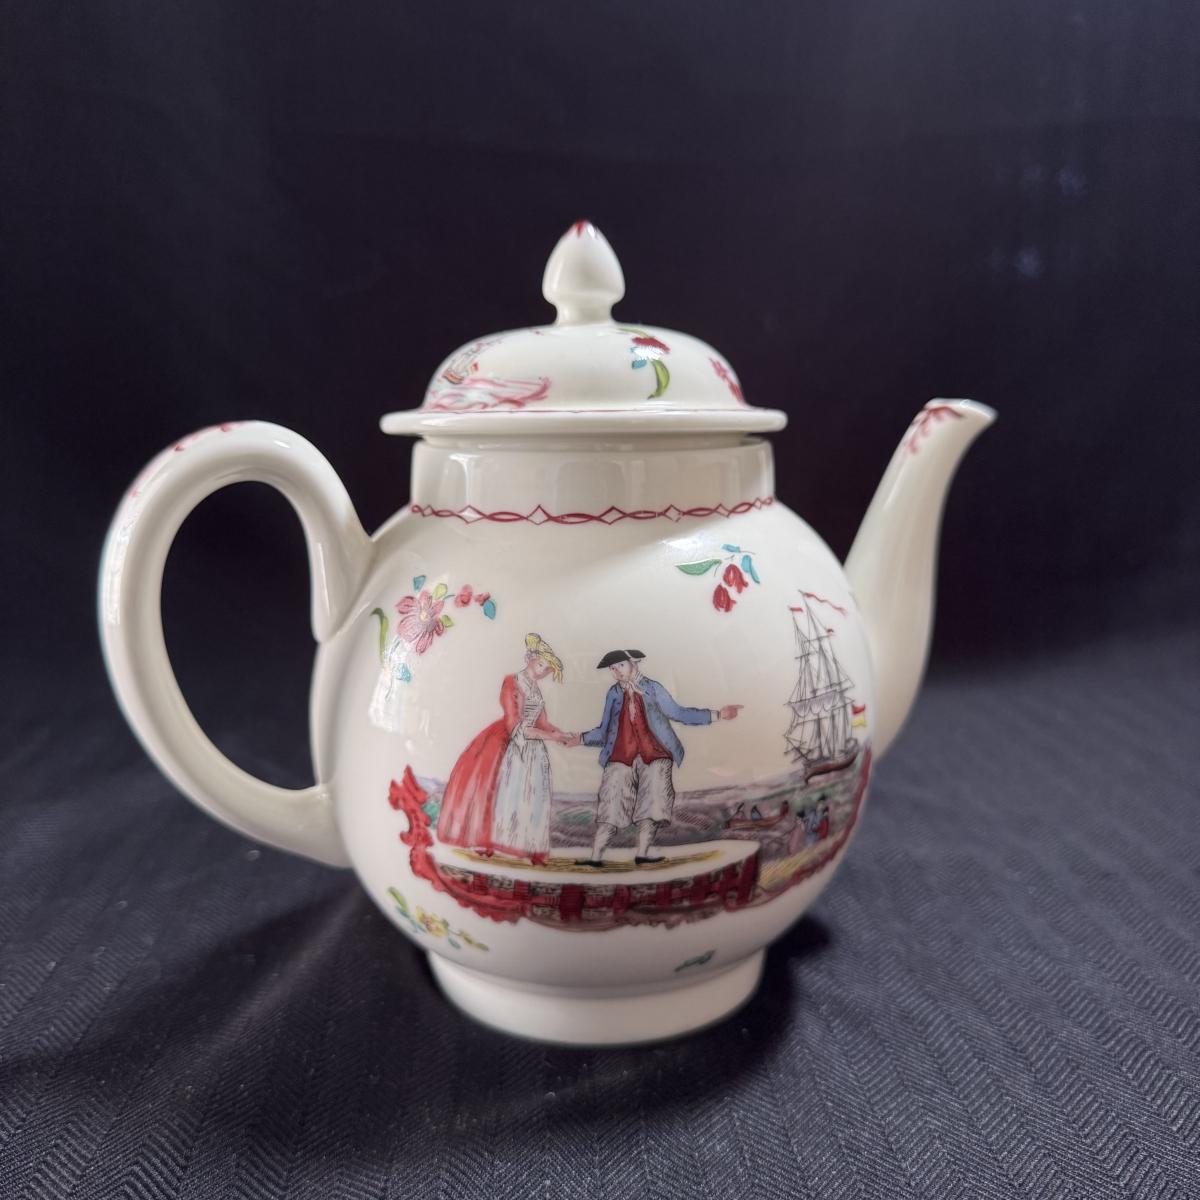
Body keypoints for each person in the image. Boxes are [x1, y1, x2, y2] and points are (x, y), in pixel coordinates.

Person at [571, 649, 741, 867]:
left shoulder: (652, 688)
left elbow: (678, 713)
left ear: (634, 664)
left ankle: (642, 853)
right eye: (612, 668)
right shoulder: (614, 693)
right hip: (620, 756)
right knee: (610, 806)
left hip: (655, 753)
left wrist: (717, 715)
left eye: (620, 665)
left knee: (652, 806)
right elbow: (604, 731)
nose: (616, 671)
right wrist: (581, 738)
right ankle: (595, 857)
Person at [437, 634, 573, 864]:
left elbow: (542, 723)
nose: (542, 671)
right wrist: (550, 736)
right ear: (530, 659)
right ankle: (490, 841)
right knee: (499, 791)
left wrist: (560, 735)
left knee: (532, 796)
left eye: (546, 669)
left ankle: (529, 846)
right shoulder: (512, 682)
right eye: (540, 665)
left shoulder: (536, 689)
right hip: (508, 742)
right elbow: (515, 724)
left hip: (533, 746)